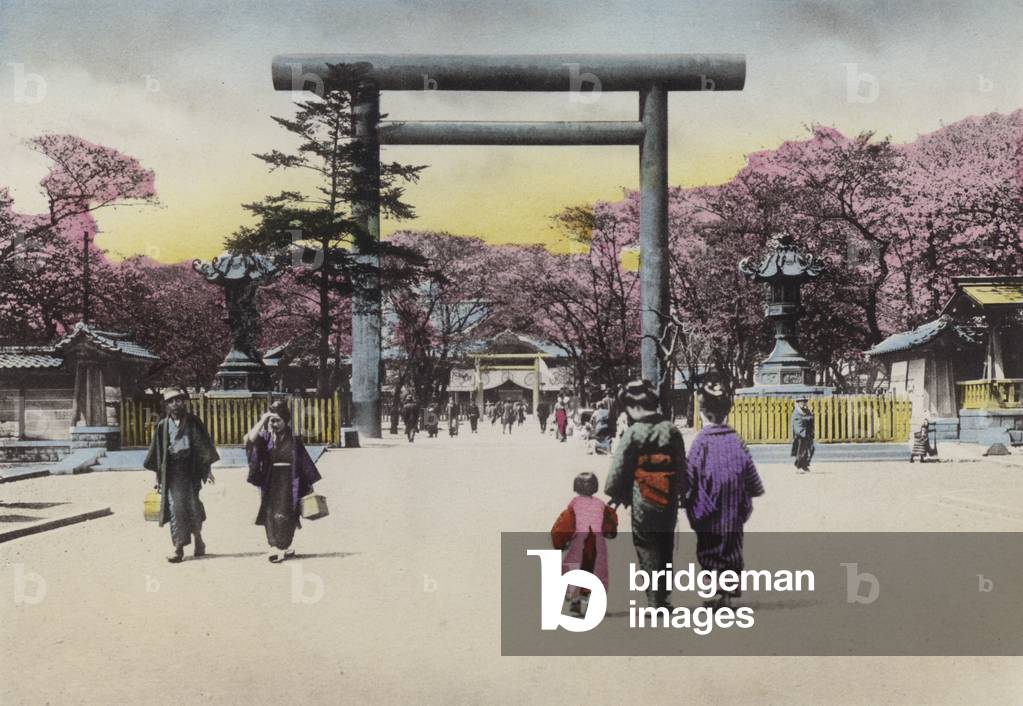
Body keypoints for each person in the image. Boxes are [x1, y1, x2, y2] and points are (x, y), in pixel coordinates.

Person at [684, 374, 765, 608]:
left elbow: (691, 471)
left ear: (702, 413)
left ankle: (713, 593)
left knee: (708, 548)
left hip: (707, 506)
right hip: (733, 506)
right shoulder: (735, 439)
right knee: (732, 548)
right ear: (726, 413)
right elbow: (748, 469)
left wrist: (686, 495)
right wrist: (751, 492)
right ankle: (727, 596)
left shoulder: (701, 441)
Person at [605, 379, 686, 608]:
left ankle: (653, 599)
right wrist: (684, 492)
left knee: (645, 545)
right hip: (667, 496)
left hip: (642, 496)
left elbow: (620, 466)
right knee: (665, 543)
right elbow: (681, 464)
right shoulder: (671, 430)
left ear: (634, 407)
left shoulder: (633, 432)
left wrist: (615, 492)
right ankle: (665, 597)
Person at [143, 388, 219, 563]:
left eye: (178, 400)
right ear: (167, 405)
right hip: (172, 472)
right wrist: (158, 478)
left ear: (183, 402)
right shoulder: (162, 425)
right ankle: (178, 548)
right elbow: (158, 453)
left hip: (191, 470)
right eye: (171, 401)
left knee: (193, 505)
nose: (175, 404)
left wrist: (207, 470)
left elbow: (202, 446)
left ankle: (199, 539)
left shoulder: (193, 422)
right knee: (176, 508)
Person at [245, 400, 322, 563]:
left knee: (289, 512)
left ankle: (284, 545)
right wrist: (263, 418)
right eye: (271, 421)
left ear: (285, 420)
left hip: (290, 479)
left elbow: (303, 462)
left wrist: (309, 484)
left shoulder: (294, 440)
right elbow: (250, 439)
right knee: (270, 511)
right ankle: (274, 546)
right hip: (271, 478)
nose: (273, 424)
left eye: (277, 420)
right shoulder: (266, 437)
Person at [550, 472, 618, 616]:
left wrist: (560, 543)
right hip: (598, 544)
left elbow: (563, 526)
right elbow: (609, 526)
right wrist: (610, 531)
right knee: (596, 571)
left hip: (579, 543)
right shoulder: (601, 505)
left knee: (575, 570)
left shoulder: (573, 507)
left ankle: (575, 601)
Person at [791, 396, 815, 473]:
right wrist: (808, 418)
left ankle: (805, 465)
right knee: (801, 451)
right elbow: (797, 423)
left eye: (804, 401)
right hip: (801, 434)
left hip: (808, 433)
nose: (803, 403)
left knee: (811, 449)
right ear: (798, 403)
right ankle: (798, 467)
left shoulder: (807, 410)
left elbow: (811, 419)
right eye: (801, 401)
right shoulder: (796, 412)